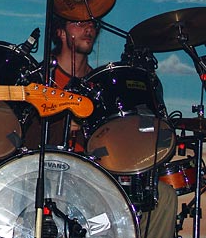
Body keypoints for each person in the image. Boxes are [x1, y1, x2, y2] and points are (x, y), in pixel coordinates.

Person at [49, 15, 178, 238]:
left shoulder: (101, 84)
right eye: (79, 23)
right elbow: (28, 136)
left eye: (92, 24)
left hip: (102, 171)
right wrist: (64, 126)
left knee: (164, 196)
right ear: (60, 32)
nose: (89, 28)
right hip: (59, 170)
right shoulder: (44, 80)